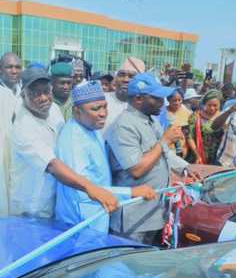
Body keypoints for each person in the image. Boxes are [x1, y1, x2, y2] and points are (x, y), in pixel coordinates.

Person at [9, 67, 118, 218]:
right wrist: (90, 187)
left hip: (54, 198)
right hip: (32, 206)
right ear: (23, 95)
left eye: (46, 91)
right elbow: (52, 165)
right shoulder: (23, 127)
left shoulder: (53, 109)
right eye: (35, 93)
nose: (43, 98)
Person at [106, 72, 200, 244]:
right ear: (138, 99)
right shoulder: (124, 126)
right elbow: (136, 169)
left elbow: (164, 154)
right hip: (133, 219)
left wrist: (186, 167)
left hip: (153, 212)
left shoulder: (151, 121)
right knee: (126, 265)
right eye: (156, 98)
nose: (163, 103)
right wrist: (165, 140)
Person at [55, 81, 156, 232]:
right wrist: (131, 192)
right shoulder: (73, 140)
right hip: (81, 221)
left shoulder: (92, 127)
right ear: (77, 111)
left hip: (97, 213)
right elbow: (82, 189)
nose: (103, 113)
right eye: (95, 109)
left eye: (105, 106)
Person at [0, 52, 22, 216]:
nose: (14, 71)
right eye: (9, 67)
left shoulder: (27, 92)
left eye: (17, 67)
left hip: (22, 158)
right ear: (1, 70)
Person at [103, 57, 145, 135]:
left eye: (131, 76)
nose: (125, 79)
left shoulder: (145, 107)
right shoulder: (102, 100)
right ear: (115, 78)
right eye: (121, 75)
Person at [186, 89, 223, 165]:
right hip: (199, 155)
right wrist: (197, 154)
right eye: (209, 105)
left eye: (215, 105)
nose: (212, 108)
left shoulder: (224, 117)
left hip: (218, 157)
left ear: (220, 104)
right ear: (205, 104)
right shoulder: (196, 116)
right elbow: (190, 137)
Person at [160, 88, 192, 158]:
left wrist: (185, 148)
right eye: (174, 100)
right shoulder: (162, 112)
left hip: (181, 149)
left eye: (179, 100)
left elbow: (188, 134)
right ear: (168, 100)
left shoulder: (188, 114)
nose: (177, 103)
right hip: (166, 148)